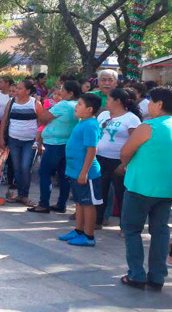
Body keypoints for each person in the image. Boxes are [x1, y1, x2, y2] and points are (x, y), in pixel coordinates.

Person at [119, 87, 172, 290]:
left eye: (150, 101)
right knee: (160, 231)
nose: (147, 105)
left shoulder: (148, 126)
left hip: (140, 186)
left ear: (159, 104)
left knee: (131, 230)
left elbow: (126, 151)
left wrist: (127, 165)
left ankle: (136, 275)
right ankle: (157, 276)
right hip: (166, 188)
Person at [27, 80, 81, 214]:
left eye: (63, 90)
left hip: (55, 144)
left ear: (70, 93)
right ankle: (61, 204)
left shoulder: (63, 105)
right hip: (67, 144)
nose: (60, 93)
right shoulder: (77, 105)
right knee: (63, 175)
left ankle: (43, 204)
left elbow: (43, 117)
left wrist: (48, 114)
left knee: (44, 173)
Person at [58, 93, 102, 247]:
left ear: (90, 109)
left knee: (88, 204)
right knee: (79, 202)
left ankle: (89, 236)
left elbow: (91, 150)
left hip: (86, 173)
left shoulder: (90, 125)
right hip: (75, 171)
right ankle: (78, 230)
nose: (76, 107)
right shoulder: (82, 122)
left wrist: (84, 172)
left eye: (80, 104)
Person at [94, 88, 141, 228]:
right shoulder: (103, 115)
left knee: (121, 193)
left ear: (118, 101)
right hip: (100, 158)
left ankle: (124, 224)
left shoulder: (131, 118)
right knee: (100, 190)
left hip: (118, 161)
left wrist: (125, 164)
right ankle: (98, 219)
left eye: (108, 99)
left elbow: (135, 142)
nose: (106, 102)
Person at [0, 79, 42, 205]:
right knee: (17, 168)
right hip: (13, 140)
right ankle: (20, 194)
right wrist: (1, 137)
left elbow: (41, 123)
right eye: (16, 88)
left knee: (25, 167)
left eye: (20, 88)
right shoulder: (11, 102)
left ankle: (24, 195)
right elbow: (4, 120)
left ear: (28, 91)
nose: (17, 91)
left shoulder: (35, 103)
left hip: (30, 141)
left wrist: (39, 142)